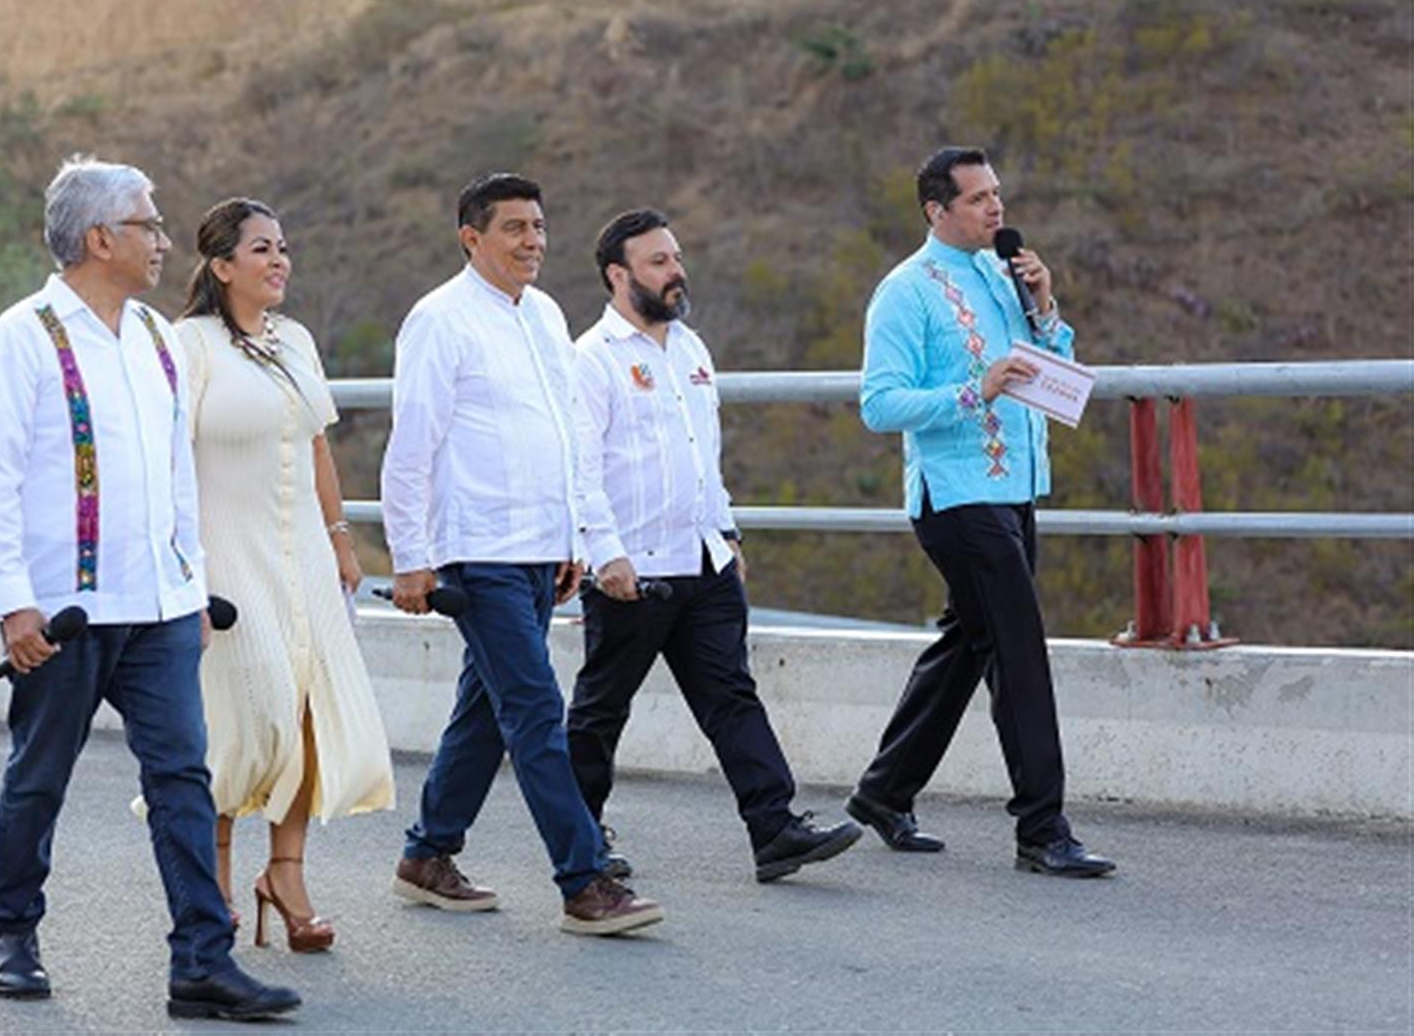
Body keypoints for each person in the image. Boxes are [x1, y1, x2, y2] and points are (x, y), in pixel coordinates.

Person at [0, 155, 300, 1021]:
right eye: (148, 224)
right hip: (67, 614)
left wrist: (192, 587)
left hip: (160, 607)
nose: (164, 239)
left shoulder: (158, 336)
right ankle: (12, 930)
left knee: (183, 778)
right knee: (39, 776)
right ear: (98, 237)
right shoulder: (23, 335)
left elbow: (173, 475)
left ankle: (202, 958)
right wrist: (13, 601)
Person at [381, 172, 664, 937]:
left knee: (485, 709)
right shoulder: (438, 320)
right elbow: (411, 448)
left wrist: (574, 536)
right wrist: (413, 557)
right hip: (477, 552)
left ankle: (427, 853)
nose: (533, 241)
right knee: (536, 710)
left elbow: (570, 435)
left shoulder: (543, 314)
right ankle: (583, 878)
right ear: (471, 237)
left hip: (541, 550)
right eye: (514, 228)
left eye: (538, 226)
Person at [567, 209, 862, 883]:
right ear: (618, 275)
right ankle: (580, 838)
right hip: (632, 570)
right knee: (601, 708)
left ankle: (775, 827)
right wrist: (604, 552)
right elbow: (579, 468)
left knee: (731, 694)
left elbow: (705, 456)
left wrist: (726, 531)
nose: (676, 271)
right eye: (658, 262)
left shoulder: (692, 350)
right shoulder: (591, 360)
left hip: (703, 562)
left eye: (676, 257)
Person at [846, 146, 1115, 878]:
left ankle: (883, 792)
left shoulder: (1004, 274)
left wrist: (1046, 307)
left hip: (1017, 487)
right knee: (1018, 647)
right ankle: (1042, 828)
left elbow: (1049, 366)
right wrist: (975, 389)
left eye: (996, 194)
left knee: (970, 640)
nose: (995, 208)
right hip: (956, 494)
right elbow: (879, 403)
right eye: (976, 199)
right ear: (937, 211)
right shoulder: (904, 291)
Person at [169, 197, 395, 952]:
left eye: (284, 248)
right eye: (261, 249)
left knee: (303, 710)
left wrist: (341, 539)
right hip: (225, 552)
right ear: (222, 264)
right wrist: (185, 562)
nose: (279, 261)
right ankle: (218, 880)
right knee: (240, 712)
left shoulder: (294, 338)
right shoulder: (189, 344)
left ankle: (287, 874)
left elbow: (318, 446)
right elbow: (170, 458)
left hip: (302, 553)